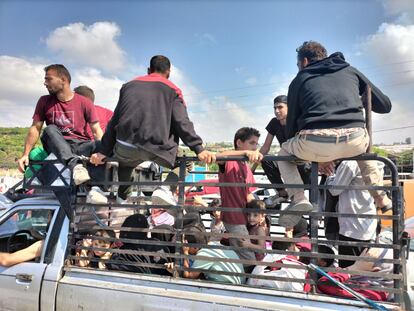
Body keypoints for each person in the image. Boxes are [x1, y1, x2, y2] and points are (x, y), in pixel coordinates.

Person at [277, 41, 392, 229]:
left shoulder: (300, 78)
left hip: (314, 141)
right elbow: (385, 106)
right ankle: (380, 196)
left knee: (283, 153)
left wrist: (312, 156)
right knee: (362, 149)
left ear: (304, 61)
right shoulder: (350, 71)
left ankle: (298, 198)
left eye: (298, 65)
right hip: (354, 139)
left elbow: (291, 128)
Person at [89, 55, 215, 202]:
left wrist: (103, 151)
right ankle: (166, 189)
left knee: (125, 165)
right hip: (157, 148)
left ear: (149, 70)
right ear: (168, 73)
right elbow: (182, 122)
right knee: (186, 162)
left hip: (125, 146)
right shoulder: (173, 90)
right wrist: (198, 148)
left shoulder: (128, 86)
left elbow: (114, 121)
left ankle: (122, 199)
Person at [17, 64, 103, 185]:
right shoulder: (44, 101)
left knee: (99, 144)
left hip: (80, 145)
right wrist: (25, 154)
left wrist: (102, 152)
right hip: (56, 145)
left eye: (48, 79)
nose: (45, 83)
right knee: (50, 129)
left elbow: (96, 130)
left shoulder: (85, 102)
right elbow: (35, 128)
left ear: (63, 79)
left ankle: (98, 188)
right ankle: (76, 167)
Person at [216, 127, 263, 262]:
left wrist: (261, 214)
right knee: (247, 256)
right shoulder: (229, 160)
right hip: (234, 216)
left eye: (256, 144)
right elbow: (220, 155)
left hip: (245, 216)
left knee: (243, 253)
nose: (255, 147)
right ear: (239, 143)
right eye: (251, 143)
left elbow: (248, 194)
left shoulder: (245, 165)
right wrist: (246, 152)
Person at [252, 95, 310, 202]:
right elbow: (265, 148)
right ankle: (282, 192)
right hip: (285, 163)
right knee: (266, 159)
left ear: (289, 107)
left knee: (302, 163)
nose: (277, 111)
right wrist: (252, 169)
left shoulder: (297, 122)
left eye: (280, 107)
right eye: (275, 108)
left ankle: (299, 196)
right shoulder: (274, 123)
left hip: (301, 164)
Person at [325, 160, 381, 268]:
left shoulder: (349, 163)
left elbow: (334, 190)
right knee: (364, 268)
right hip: (367, 223)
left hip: (352, 227)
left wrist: (330, 176)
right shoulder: (372, 163)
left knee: (350, 269)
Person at [165, 226, 245, 284]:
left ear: (195, 247)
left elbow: (189, 276)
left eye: (185, 245)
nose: (184, 247)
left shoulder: (203, 254)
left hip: (229, 286)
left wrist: (186, 253)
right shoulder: (213, 244)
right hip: (238, 282)